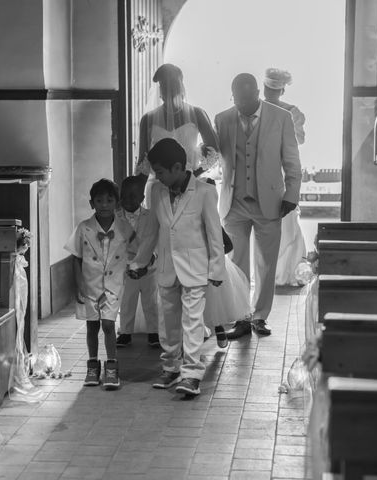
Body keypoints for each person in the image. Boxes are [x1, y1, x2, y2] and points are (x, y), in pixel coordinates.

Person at [129, 138, 225, 397]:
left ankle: (192, 373)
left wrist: (217, 268)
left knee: (192, 321)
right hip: (167, 266)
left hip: (195, 268)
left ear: (178, 167)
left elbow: (214, 233)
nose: (157, 177)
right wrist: (139, 261)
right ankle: (171, 366)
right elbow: (151, 231)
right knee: (168, 319)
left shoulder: (205, 192)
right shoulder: (156, 192)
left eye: (160, 172)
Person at [215, 73, 302, 339]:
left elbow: (292, 161)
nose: (240, 104)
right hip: (234, 202)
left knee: (267, 262)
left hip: (271, 201)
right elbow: (213, 154)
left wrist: (291, 195)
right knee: (237, 263)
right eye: (236, 99)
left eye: (245, 98)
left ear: (256, 94)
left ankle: (260, 316)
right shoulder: (222, 119)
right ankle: (241, 318)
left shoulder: (281, 118)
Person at [64, 179, 135, 390]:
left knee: (108, 324)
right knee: (92, 325)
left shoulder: (125, 228)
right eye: (99, 200)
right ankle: (93, 366)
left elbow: (136, 251)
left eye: (109, 200)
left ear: (117, 203)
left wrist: (134, 267)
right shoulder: (83, 228)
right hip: (90, 284)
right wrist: (78, 285)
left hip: (113, 285)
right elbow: (76, 257)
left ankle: (111, 367)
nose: (104, 204)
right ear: (91, 203)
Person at [134, 63, 220, 207]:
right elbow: (143, 163)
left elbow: (214, 153)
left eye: (172, 85)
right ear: (160, 90)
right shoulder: (148, 119)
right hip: (158, 187)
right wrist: (135, 193)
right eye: (164, 86)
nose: (168, 90)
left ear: (181, 86)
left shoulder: (197, 114)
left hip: (190, 185)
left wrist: (192, 176)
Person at [263, 68, 308, 286]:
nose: (269, 92)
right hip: (264, 171)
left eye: (273, 89)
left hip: (282, 169)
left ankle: (285, 272)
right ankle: (271, 272)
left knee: (287, 222)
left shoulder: (292, 112)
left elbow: (298, 140)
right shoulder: (257, 110)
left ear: (281, 90)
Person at [202, 180, 253, 348]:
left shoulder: (214, 221)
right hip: (194, 266)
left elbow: (229, 244)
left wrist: (214, 256)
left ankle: (218, 328)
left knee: (214, 302)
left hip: (213, 267)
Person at [116, 175, 160, 348]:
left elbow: (156, 242)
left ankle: (154, 333)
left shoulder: (151, 217)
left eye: (133, 196)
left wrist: (149, 263)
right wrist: (126, 265)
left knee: (151, 301)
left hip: (149, 268)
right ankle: (125, 332)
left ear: (142, 198)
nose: (128, 200)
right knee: (126, 302)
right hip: (126, 269)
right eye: (124, 196)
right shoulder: (116, 218)